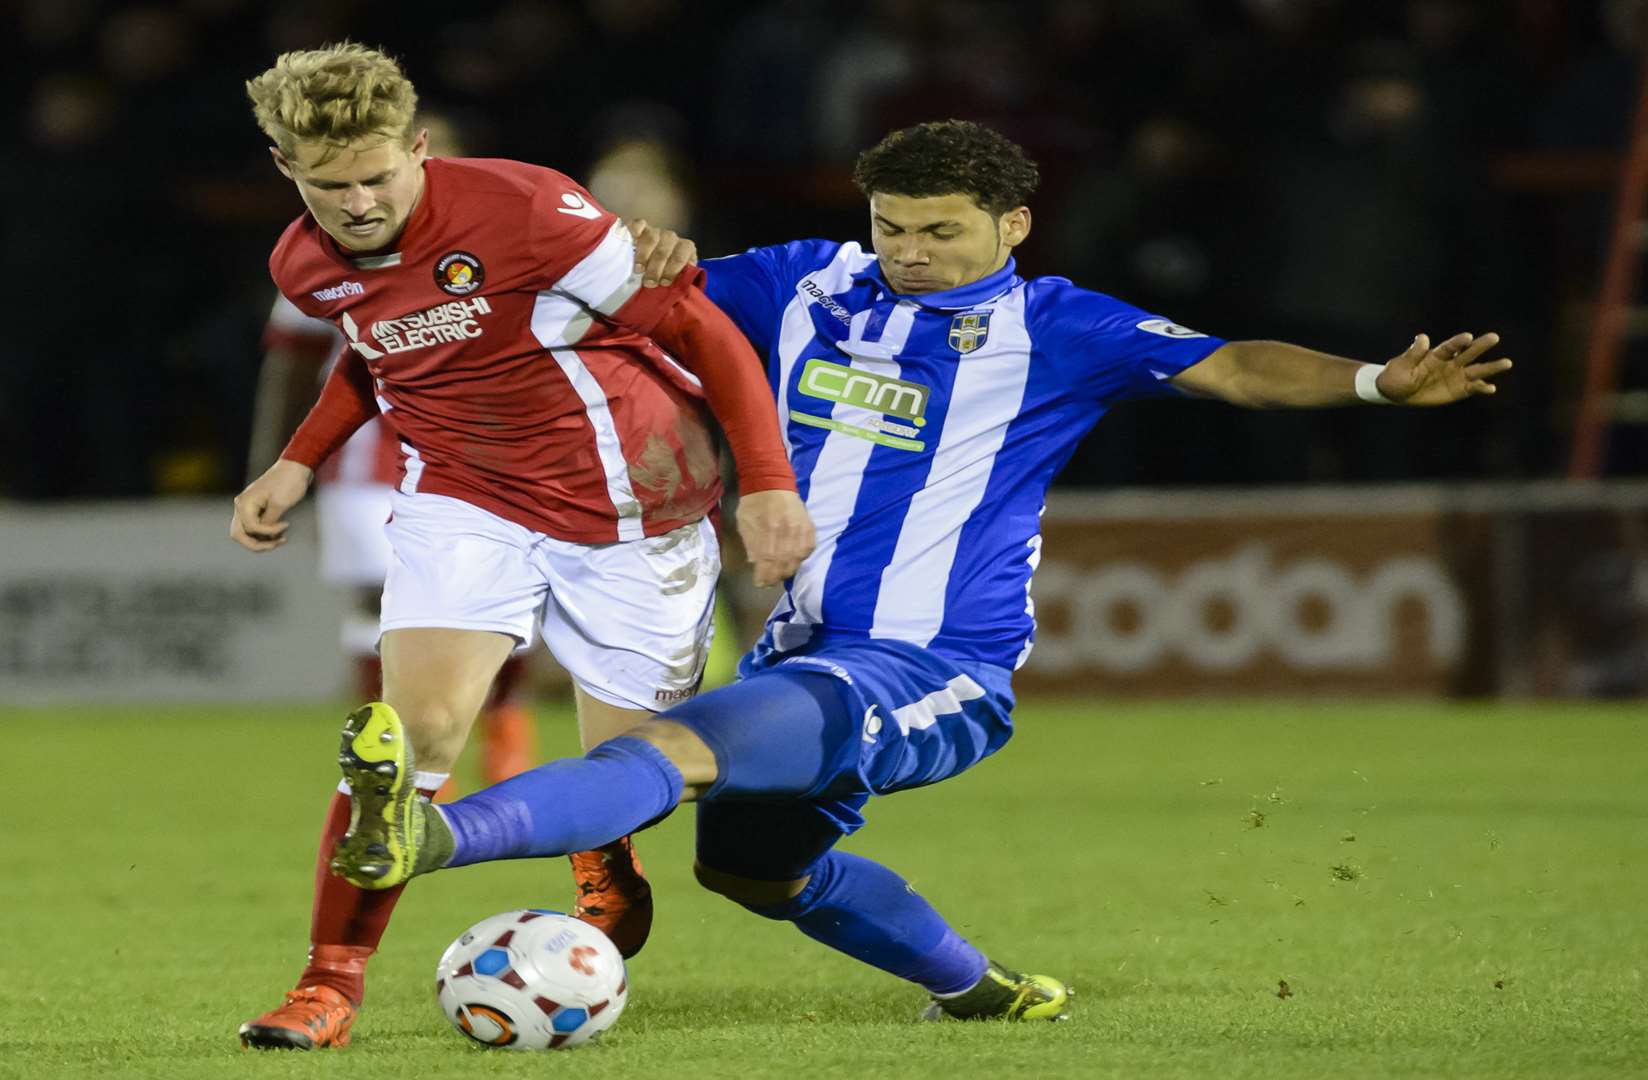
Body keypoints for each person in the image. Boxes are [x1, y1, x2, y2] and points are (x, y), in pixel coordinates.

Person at [324, 119, 1514, 1022]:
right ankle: (973, 988)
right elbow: (629, 304)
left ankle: (427, 840)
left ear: (1012, 227)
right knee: (749, 866)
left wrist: (1374, 383)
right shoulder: (805, 281)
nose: (910, 252)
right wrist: (623, 252)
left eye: (942, 230)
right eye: (893, 226)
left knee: (674, 752)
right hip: (800, 645)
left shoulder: (1060, 327)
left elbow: (1235, 368)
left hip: (932, 662)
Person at [229, 43, 813, 1050]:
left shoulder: (528, 212)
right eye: (331, 185)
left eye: (379, 174)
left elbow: (702, 332)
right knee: (415, 738)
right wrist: (299, 461)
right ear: (287, 169)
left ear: (418, 146)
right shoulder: (302, 263)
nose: (360, 202)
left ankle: (604, 863)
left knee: (631, 769)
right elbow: (378, 354)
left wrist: (766, 482)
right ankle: (327, 987)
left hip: (638, 508)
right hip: (466, 497)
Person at [249, 291, 536, 783]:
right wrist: (274, 466)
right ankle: (393, 752)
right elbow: (290, 367)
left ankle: (503, 722)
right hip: (366, 460)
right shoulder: (317, 258)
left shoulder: (494, 241)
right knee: (378, 602)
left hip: (483, 455)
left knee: (505, 589)